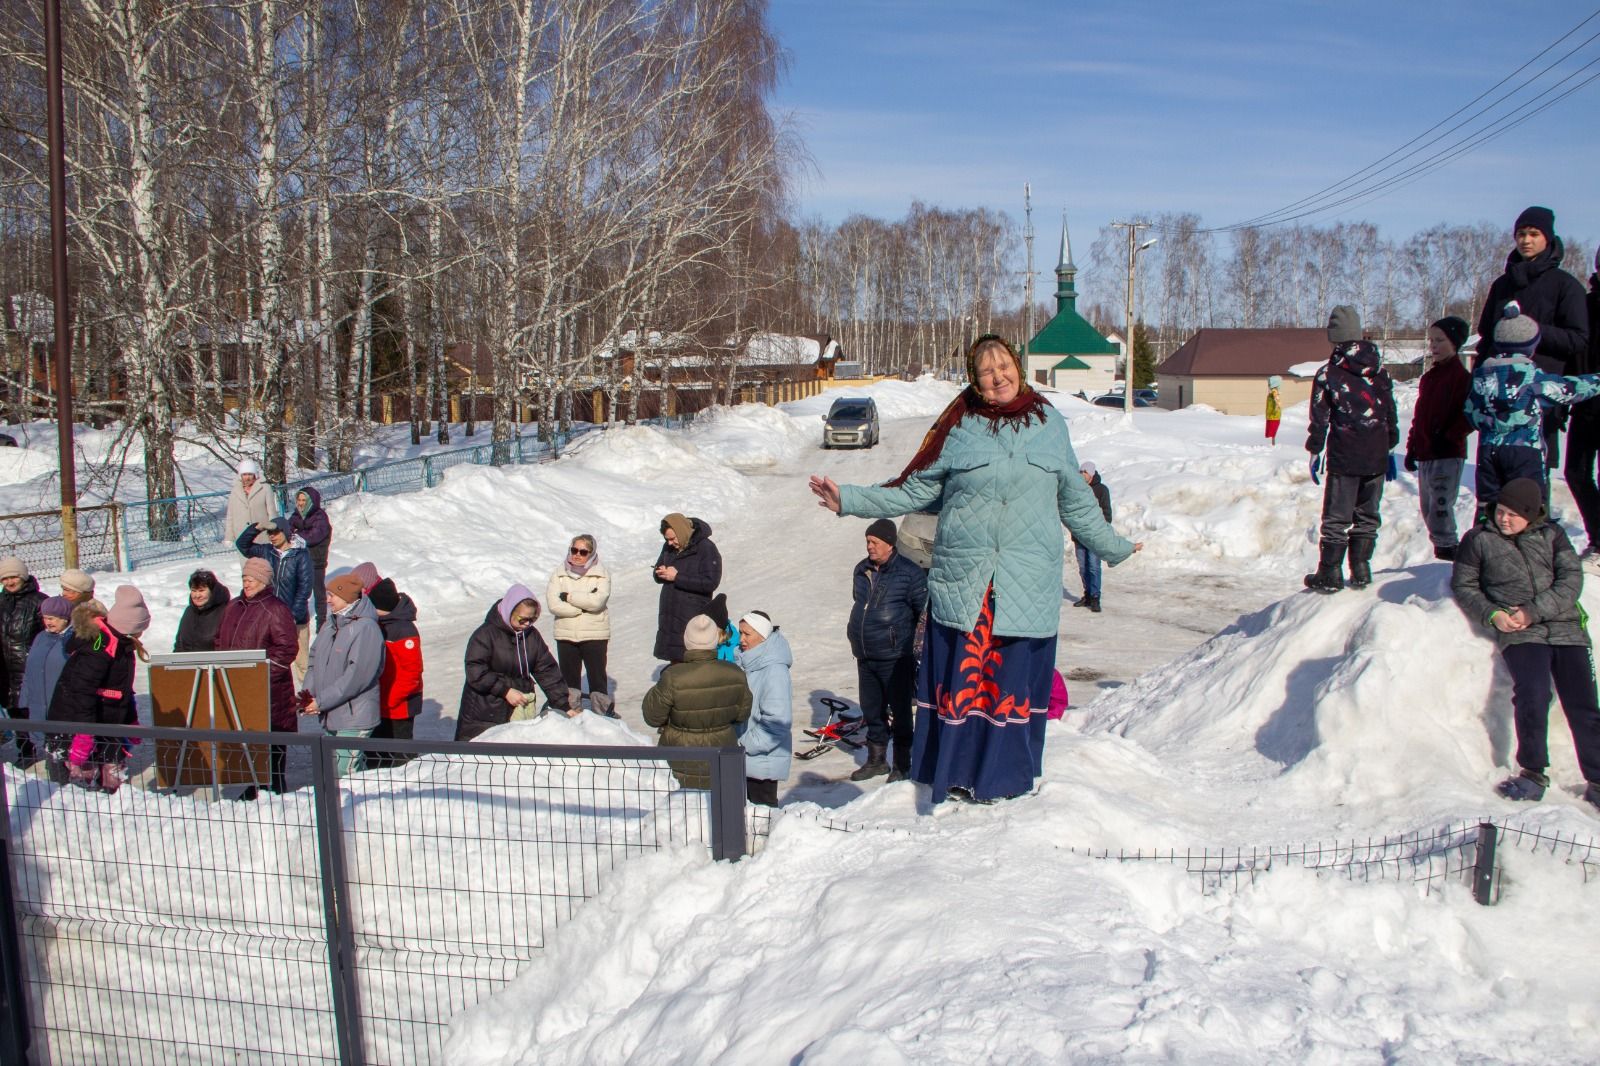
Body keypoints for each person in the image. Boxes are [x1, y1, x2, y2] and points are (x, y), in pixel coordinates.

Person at [810, 333, 1140, 804]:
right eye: (986, 371)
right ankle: (953, 775)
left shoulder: (1049, 423)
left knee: (1007, 687)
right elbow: (911, 490)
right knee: (965, 685)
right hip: (967, 583)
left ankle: (1002, 780)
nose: (997, 376)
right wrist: (851, 499)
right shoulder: (960, 425)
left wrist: (1114, 547)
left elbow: (1076, 500)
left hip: (1024, 582)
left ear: (1018, 368)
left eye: (1003, 365)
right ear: (975, 380)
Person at [1451, 478, 1600, 811]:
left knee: (1584, 705)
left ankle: (1598, 779)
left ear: (1531, 516)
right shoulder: (1478, 540)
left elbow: (1571, 580)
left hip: (1566, 628)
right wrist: (1493, 615)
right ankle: (1532, 773)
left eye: (1513, 515)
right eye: (1501, 511)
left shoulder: (1553, 536)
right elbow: (1464, 585)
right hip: (1519, 632)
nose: (1504, 519)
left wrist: (1534, 611)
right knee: (1532, 695)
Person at [1473, 206, 1590, 471]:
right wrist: (1477, 383)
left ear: (1547, 238)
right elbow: (1486, 338)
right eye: (1521, 234)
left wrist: (1533, 330)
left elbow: (1578, 339)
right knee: (1493, 479)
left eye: (1534, 234)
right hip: (1498, 398)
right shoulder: (1503, 285)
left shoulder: (1565, 285)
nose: (1526, 240)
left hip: (1540, 396)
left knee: (1532, 484)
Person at [1466, 306, 1600, 523]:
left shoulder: (1481, 377)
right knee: (1527, 505)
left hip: (1488, 451)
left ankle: (1482, 547)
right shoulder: (1531, 378)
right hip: (1524, 452)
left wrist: (1491, 424)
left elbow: (1470, 413)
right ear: (1531, 347)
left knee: (1489, 505)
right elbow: (1570, 390)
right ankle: (1530, 549)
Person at [1303, 305, 1399, 594]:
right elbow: (1390, 413)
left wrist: (1315, 448)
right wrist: (1390, 444)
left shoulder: (1329, 374)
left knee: (1337, 515)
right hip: (1377, 453)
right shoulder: (1379, 372)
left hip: (1345, 455)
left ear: (1334, 337)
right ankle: (1360, 568)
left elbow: (1320, 418)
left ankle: (1329, 572)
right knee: (1368, 514)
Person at [846, 518, 927, 782]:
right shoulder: (862, 570)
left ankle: (902, 764)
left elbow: (920, 613)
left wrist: (911, 647)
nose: (869, 546)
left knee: (901, 711)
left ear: (889, 544)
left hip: (895, 656)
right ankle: (876, 760)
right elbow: (861, 605)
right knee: (872, 710)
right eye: (867, 541)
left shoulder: (909, 573)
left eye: (874, 542)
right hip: (866, 653)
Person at [214, 556, 299, 793]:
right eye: (244, 578)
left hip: (269, 692)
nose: (247, 583)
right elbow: (220, 640)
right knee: (248, 741)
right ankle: (255, 786)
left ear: (263, 581)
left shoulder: (275, 609)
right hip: (237, 688)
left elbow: (286, 649)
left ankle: (273, 790)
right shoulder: (233, 606)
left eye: (252, 578)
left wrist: (259, 676)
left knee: (270, 743)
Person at [642, 614, 752, 790]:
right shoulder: (735, 673)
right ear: (715, 640)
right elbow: (742, 714)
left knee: (684, 810)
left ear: (687, 640)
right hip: (723, 757)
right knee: (722, 812)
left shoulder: (673, 676)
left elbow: (652, 716)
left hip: (680, 758)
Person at [455, 584, 570, 741]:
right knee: (479, 759)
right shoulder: (485, 635)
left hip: (518, 707)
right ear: (509, 611)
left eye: (532, 619)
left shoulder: (531, 636)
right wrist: (505, 691)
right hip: (484, 711)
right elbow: (475, 671)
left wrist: (564, 705)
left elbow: (546, 670)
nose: (527, 624)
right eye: (522, 620)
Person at [44, 599, 135, 792]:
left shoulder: (120, 644)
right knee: (77, 789)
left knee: (108, 787)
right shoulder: (99, 646)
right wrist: (84, 732)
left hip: (103, 725)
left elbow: (123, 687)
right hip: (76, 726)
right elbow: (82, 691)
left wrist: (130, 717)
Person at [1404, 316, 1474, 561]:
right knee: (1427, 507)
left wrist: (1450, 436)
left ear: (1454, 343)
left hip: (1447, 452)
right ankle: (1442, 551)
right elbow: (1420, 416)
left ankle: (1449, 553)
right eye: (1431, 340)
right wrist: (1412, 446)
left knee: (1440, 507)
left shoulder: (1461, 377)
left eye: (1439, 340)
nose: (1433, 345)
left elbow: (1469, 415)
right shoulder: (1429, 378)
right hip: (1426, 453)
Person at [302, 574, 384, 777]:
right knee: (343, 772)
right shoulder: (330, 625)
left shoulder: (366, 628)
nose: (327, 600)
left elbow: (356, 677)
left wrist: (321, 701)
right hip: (332, 712)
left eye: (332, 595)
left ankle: (347, 809)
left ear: (347, 597)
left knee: (343, 773)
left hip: (355, 715)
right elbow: (313, 660)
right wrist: (308, 695)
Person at [236, 516, 314, 677]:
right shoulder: (266, 551)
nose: (272, 536)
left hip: (295, 619)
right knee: (274, 661)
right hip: (270, 618)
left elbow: (304, 589)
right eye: (270, 532)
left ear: (286, 532)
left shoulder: (301, 555)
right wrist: (257, 527)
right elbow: (242, 545)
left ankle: (306, 697)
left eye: (276, 532)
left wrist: (291, 616)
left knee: (301, 662)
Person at [547, 534, 613, 716]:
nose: (577, 555)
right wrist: (579, 610)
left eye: (583, 552)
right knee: (568, 678)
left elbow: (597, 602)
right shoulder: (559, 573)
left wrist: (568, 597)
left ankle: (602, 714)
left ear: (591, 554)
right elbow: (553, 604)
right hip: (566, 633)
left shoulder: (601, 573)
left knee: (597, 677)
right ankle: (570, 712)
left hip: (594, 634)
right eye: (574, 550)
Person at [735, 611, 792, 806]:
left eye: (747, 634)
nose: (741, 639)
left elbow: (777, 722)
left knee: (762, 820)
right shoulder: (748, 663)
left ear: (762, 635)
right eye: (740, 633)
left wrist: (744, 745)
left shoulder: (774, 670)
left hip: (760, 761)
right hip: (745, 759)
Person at [367, 577, 423, 768]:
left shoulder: (404, 630)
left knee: (399, 754)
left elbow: (412, 674)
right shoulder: (378, 624)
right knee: (376, 753)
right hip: (380, 703)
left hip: (399, 706)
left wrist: (391, 701)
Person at [1566, 245, 1600, 562]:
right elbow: (1572, 352)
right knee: (1576, 473)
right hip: (1585, 403)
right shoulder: (1585, 306)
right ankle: (1598, 537)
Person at [652, 512, 722, 664]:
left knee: (692, 659)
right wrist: (660, 572)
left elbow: (711, 581)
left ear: (681, 531)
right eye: (667, 539)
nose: (670, 543)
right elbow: (657, 570)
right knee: (675, 660)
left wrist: (677, 577)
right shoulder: (668, 547)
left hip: (692, 615)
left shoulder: (706, 548)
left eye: (672, 538)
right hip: (670, 615)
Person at [15, 596, 72, 767]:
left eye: (52, 618)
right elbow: (30, 670)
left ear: (65, 618)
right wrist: (25, 698)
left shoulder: (74, 637)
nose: (48, 622)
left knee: (65, 749)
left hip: (62, 704)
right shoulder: (41, 637)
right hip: (39, 702)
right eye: (45, 618)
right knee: (47, 747)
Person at [0, 557, 45, 734]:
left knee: (33, 713)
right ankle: (25, 754)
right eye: (5, 578)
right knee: (14, 714)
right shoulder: (1, 603)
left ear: (24, 577)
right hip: (5, 671)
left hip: (27, 668)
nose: (9, 582)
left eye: (14, 577)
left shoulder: (39, 602)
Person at [288, 487, 333, 628]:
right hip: (299, 559)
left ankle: (321, 622)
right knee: (298, 591)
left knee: (318, 592)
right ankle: (296, 619)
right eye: (299, 500)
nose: (300, 503)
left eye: (304, 500)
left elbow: (315, 536)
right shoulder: (296, 516)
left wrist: (298, 536)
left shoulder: (320, 516)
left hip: (316, 560)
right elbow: (287, 531)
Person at [1072, 462, 1113, 613]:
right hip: (1079, 536)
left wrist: (1102, 529)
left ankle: (1095, 597)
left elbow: (1107, 513)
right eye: (1080, 471)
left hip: (1095, 536)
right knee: (1083, 568)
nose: (1082, 474)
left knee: (1094, 567)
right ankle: (1087, 594)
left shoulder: (1101, 490)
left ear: (1092, 473)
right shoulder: (1077, 489)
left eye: (1085, 471)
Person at [174, 569, 232, 653]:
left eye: (201, 590)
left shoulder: (225, 612)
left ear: (212, 591)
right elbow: (179, 644)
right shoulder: (189, 611)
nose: (197, 595)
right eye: (194, 590)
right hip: (187, 663)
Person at [224, 458, 276, 544]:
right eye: (244, 474)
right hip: (242, 537)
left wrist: (274, 532)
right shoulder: (235, 491)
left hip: (261, 535)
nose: (247, 478)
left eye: (250, 474)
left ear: (255, 475)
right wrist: (229, 537)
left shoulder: (265, 488)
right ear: (240, 476)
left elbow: (272, 513)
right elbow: (230, 516)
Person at [1265, 375, 1283, 445]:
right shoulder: (1272, 392)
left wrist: (1275, 410)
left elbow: (1278, 403)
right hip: (1271, 416)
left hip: (1273, 416)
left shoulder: (1274, 392)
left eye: (1269, 383)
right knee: (1271, 432)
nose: (1268, 385)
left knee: (1272, 431)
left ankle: (1273, 445)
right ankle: (1272, 444)